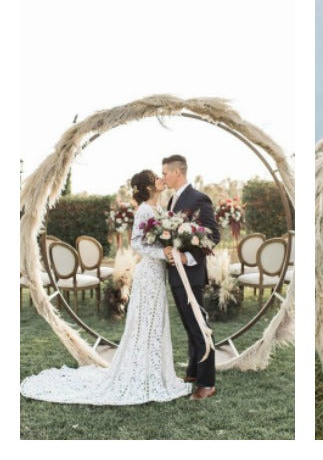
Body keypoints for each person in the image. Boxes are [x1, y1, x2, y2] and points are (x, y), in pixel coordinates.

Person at [20, 169, 193, 405]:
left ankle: (156, 373)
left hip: (158, 274)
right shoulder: (143, 211)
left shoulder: (159, 210)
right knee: (144, 323)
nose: (162, 180)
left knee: (156, 322)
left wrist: (171, 247)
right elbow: (137, 245)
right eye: (157, 178)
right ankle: (141, 375)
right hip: (148, 274)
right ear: (150, 187)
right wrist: (161, 252)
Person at [160, 154, 221, 400]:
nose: (163, 177)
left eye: (165, 172)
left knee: (199, 327)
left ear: (177, 172)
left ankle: (207, 382)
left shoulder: (198, 198)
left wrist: (189, 258)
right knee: (189, 325)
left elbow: (212, 235)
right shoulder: (172, 201)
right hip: (176, 274)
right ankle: (194, 371)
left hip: (191, 274)